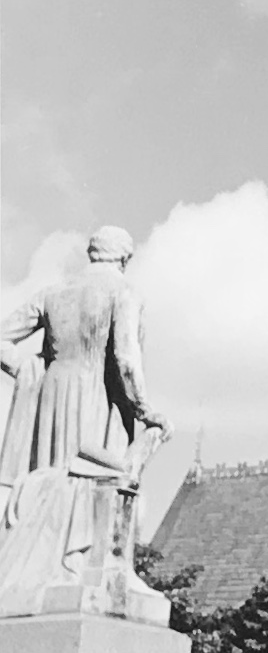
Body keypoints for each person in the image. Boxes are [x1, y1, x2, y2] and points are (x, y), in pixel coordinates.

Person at [0, 227, 171, 610]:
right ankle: (87, 570)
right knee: (96, 479)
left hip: (52, 393)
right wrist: (144, 410)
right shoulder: (123, 293)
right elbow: (126, 360)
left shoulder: (53, 293)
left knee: (53, 479)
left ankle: (54, 571)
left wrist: (32, 372)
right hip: (99, 394)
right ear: (125, 259)